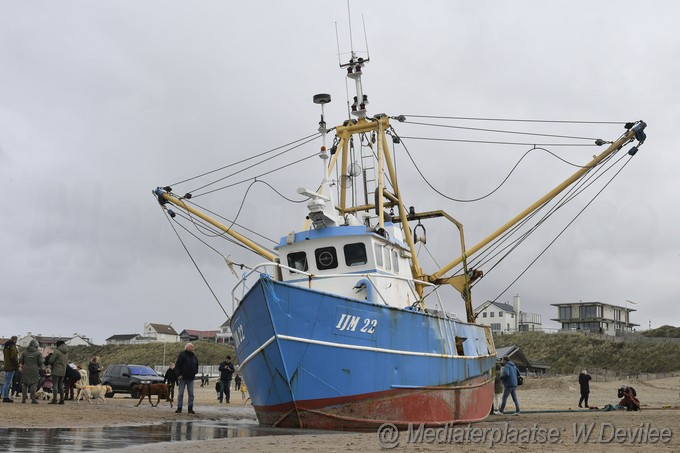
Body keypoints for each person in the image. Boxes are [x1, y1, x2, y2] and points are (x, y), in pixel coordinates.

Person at [174, 343, 199, 414]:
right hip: (182, 378)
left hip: (191, 378)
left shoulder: (194, 357)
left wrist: (195, 372)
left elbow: (197, 365)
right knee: (180, 393)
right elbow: (177, 366)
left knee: (191, 394)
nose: (193, 348)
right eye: (192, 347)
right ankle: (179, 408)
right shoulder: (182, 355)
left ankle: (190, 408)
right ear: (187, 348)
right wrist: (178, 375)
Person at [19, 339, 44, 404]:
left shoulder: (25, 352)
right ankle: (33, 399)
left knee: (24, 383)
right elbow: (40, 362)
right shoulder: (38, 353)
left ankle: (23, 399)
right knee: (33, 384)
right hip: (34, 369)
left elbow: (21, 360)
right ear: (36, 345)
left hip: (25, 368)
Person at [48, 340, 69, 404]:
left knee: (55, 385)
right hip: (63, 370)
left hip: (56, 370)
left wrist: (50, 355)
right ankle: (62, 399)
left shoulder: (57, 351)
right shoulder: (66, 352)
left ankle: (54, 400)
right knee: (60, 386)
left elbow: (51, 361)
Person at [2, 336, 19, 402]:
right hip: (11, 366)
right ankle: (5, 397)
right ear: (15, 340)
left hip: (6, 365)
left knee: (6, 382)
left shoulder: (6, 347)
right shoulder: (12, 346)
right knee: (8, 382)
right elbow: (14, 357)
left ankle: (4, 396)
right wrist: (17, 365)